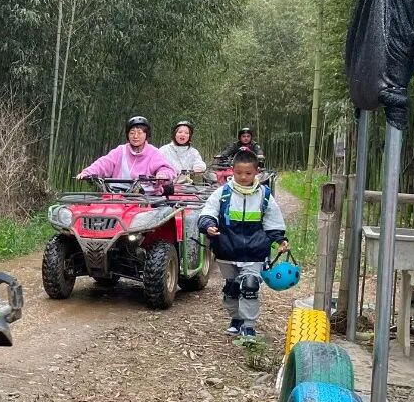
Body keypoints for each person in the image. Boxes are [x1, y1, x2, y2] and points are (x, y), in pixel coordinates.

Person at [197, 149, 289, 337]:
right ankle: (236, 319)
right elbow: (208, 211)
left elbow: (273, 221)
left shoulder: (264, 195)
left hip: (255, 251)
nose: (243, 177)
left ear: (257, 172)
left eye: (248, 173)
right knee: (232, 288)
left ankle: (248, 325)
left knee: (249, 286)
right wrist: (208, 225)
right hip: (227, 250)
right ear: (232, 171)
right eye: (239, 173)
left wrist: (280, 240)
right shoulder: (222, 193)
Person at [76, 116, 176, 186]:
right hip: (117, 195)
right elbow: (103, 163)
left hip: (147, 197)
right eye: (132, 133)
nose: (135, 136)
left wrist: (162, 175)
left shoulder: (153, 152)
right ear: (127, 135)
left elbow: (166, 169)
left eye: (139, 133)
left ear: (146, 135)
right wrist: (88, 172)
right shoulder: (120, 151)